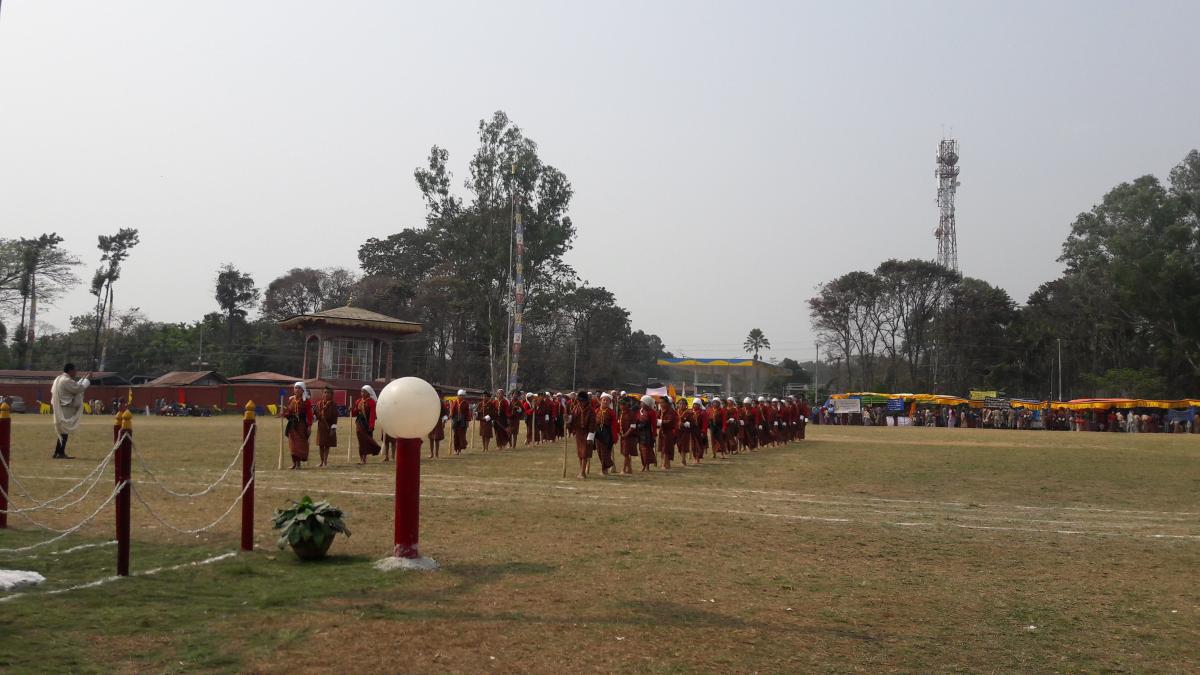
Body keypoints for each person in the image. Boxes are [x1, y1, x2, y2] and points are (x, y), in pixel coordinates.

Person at [51, 363, 91, 459]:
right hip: (66, 407)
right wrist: (87, 380)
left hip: (61, 407)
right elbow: (78, 388)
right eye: (75, 370)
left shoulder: (59, 379)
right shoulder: (66, 380)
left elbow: (74, 385)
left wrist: (83, 378)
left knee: (62, 430)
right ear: (70, 371)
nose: (76, 372)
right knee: (65, 430)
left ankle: (57, 452)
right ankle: (60, 452)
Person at [281, 382, 313, 470]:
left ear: (303, 390)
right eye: (295, 388)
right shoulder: (291, 400)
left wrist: (309, 426)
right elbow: (289, 412)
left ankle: (298, 464)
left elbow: (309, 414)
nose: (297, 390)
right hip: (292, 425)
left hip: (301, 425)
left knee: (299, 444)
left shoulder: (306, 401)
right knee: (292, 444)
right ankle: (294, 463)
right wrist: (283, 414)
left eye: (299, 388)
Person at [569, 391, 597, 478]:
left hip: (587, 432)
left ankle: (583, 472)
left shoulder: (591, 410)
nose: (580, 403)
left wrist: (590, 436)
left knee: (585, 453)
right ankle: (581, 470)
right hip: (578, 433)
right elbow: (572, 419)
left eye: (581, 401)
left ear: (585, 401)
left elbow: (593, 423)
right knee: (580, 453)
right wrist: (567, 420)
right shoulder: (575, 408)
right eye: (579, 401)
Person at [354, 386, 382, 464]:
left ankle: (364, 459)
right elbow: (355, 413)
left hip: (367, 424)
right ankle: (361, 459)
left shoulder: (372, 402)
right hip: (359, 423)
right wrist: (351, 410)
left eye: (364, 392)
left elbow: (372, 415)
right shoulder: (358, 401)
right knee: (361, 442)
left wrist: (371, 426)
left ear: (368, 393)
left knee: (365, 441)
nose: (362, 393)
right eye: (361, 392)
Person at [594, 392, 618, 476]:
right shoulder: (596, 411)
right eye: (604, 400)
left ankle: (604, 469)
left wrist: (614, 437)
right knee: (599, 451)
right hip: (597, 433)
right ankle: (605, 468)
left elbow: (614, 425)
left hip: (607, 434)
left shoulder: (611, 412)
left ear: (610, 402)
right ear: (601, 400)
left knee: (605, 452)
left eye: (607, 401)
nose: (605, 402)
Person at [315, 386, 338, 468]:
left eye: (328, 393)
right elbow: (316, 416)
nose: (326, 394)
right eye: (325, 392)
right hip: (321, 427)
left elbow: (335, 418)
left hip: (329, 427)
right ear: (322, 394)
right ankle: (321, 462)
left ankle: (325, 462)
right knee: (321, 445)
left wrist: (333, 429)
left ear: (332, 395)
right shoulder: (319, 404)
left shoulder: (333, 405)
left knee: (327, 445)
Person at [635, 395, 658, 471]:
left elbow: (654, 425)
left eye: (642, 402)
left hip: (647, 433)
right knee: (641, 449)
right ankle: (644, 464)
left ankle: (647, 466)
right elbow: (636, 420)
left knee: (646, 450)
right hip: (640, 432)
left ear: (647, 403)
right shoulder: (640, 411)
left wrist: (654, 434)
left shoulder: (652, 412)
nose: (641, 404)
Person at [657, 395, 679, 470]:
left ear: (667, 403)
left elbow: (670, 422)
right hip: (662, 431)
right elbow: (657, 418)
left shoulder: (671, 411)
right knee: (663, 448)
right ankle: (666, 464)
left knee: (667, 448)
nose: (661, 404)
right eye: (660, 403)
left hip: (669, 432)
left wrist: (661, 422)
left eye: (662, 402)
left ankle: (665, 464)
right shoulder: (661, 411)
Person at [618, 395, 637, 474]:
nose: (621, 406)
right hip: (623, 436)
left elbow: (633, 426)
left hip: (629, 436)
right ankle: (629, 469)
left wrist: (626, 434)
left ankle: (623, 469)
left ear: (627, 405)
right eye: (620, 404)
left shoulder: (631, 413)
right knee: (625, 453)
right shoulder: (622, 413)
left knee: (626, 453)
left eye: (623, 404)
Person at [450, 389, 471, 454]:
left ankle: (460, 449)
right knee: (455, 435)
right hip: (456, 421)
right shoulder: (455, 402)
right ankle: (455, 450)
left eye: (463, 396)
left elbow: (468, 413)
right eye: (460, 396)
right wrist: (451, 416)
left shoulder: (466, 403)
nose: (462, 397)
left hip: (463, 421)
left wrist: (467, 421)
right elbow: (452, 410)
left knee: (461, 435)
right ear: (458, 396)